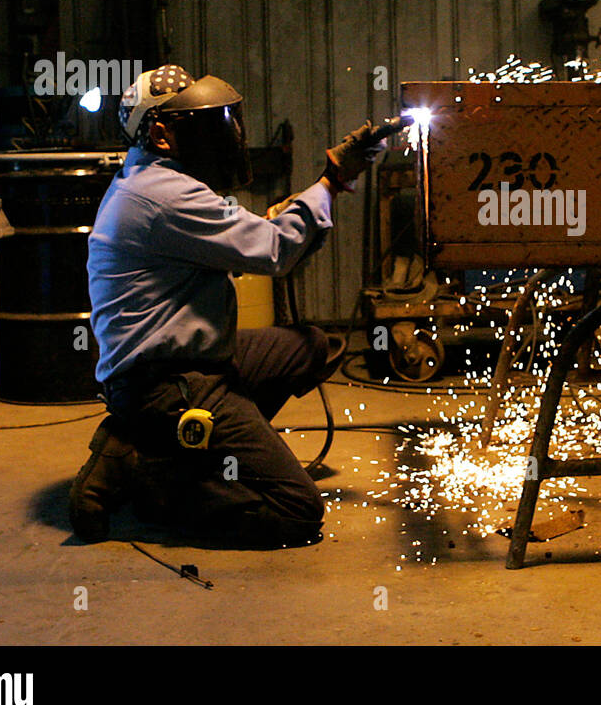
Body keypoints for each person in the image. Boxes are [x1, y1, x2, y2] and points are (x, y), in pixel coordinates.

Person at [69, 64, 385, 547]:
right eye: (206, 126)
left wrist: (328, 185)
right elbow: (274, 248)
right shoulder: (164, 196)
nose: (224, 136)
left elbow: (253, 236)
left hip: (182, 363)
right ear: (160, 134)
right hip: (163, 384)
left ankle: (169, 448)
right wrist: (330, 181)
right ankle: (154, 474)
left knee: (310, 346)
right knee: (297, 511)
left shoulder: (159, 181)